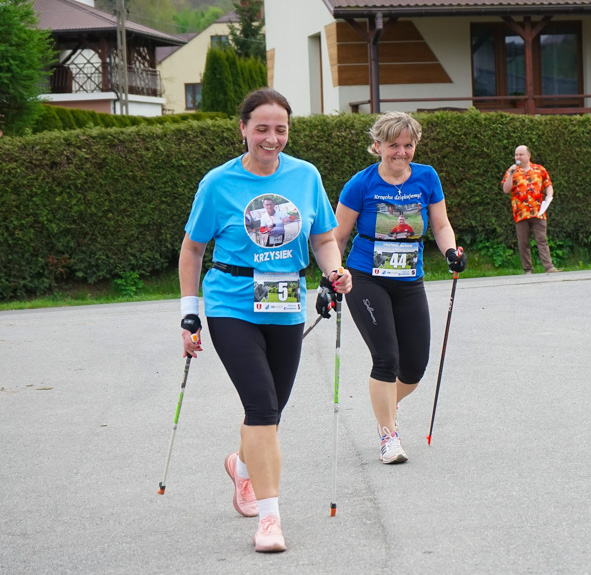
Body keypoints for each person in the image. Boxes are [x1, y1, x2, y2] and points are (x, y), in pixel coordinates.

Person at [177, 88, 352, 553]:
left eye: (281, 129)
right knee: (260, 406)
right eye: (262, 128)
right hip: (231, 302)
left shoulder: (305, 175)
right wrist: (189, 313)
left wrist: (334, 271)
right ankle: (270, 521)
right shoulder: (218, 183)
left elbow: (323, 239)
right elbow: (193, 250)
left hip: (285, 301)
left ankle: (241, 464)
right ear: (243, 129)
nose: (272, 138)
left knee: (272, 410)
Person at [333, 111, 466, 464]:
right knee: (386, 358)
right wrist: (331, 274)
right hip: (366, 278)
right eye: (394, 145)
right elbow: (338, 235)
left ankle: (384, 411)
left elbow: (440, 225)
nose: (401, 152)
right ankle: (388, 433)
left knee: (414, 367)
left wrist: (451, 251)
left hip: (409, 280)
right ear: (377, 146)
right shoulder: (360, 184)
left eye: (408, 145)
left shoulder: (427, 177)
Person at [501, 145, 559, 274]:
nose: (518, 157)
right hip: (520, 213)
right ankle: (528, 269)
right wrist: (511, 174)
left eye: (521, 154)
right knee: (523, 242)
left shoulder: (540, 169)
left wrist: (549, 196)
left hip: (538, 211)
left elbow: (548, 185)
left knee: (541, 240)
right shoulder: (512, 171)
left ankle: (549, 267)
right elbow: (506, 189)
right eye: (516, 155)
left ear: (528, 155)